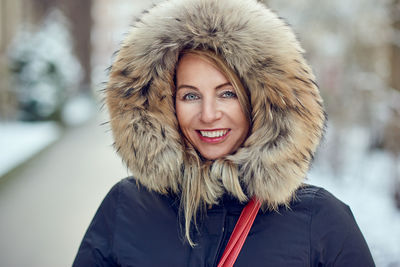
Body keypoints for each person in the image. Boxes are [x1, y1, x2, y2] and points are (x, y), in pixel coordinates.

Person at [73, 0, 375, 266]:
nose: (208, 114)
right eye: (190, 95)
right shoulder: (126, 207)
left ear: (262, 102)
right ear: (164, 105)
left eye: (227, 93)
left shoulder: (319, 222)